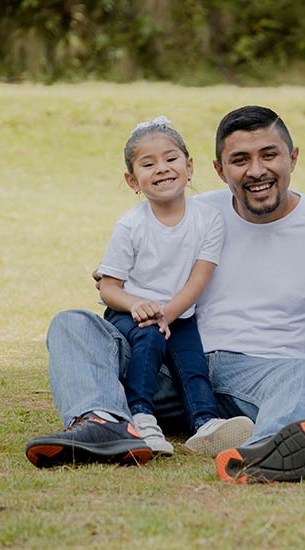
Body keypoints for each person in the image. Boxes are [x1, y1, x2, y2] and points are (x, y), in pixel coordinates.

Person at [26, 106, 305, 483]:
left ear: (293, 158)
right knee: (73, 323)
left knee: (303, 374)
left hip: (265, 379)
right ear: (218, 170)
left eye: (269, 155)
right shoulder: (192, 211)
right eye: (240, 160)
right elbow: (135, 264)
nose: (256, 171)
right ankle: (102, 422)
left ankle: (266, 448)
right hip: (174, 365)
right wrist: (119, 284)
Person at [96, 116, 253, 457]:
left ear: (189, 166)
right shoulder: (131, 225)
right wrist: (138, 305)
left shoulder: (208, 220)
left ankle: (206, 424)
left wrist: (168, 313)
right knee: (149, 338)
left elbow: (199, 278)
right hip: (130, 314)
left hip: (179, 313)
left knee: (192, 363)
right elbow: (108, 288)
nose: (162, 169)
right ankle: (141, 417)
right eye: (148, 164)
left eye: (171, 159)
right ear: (132, 180)